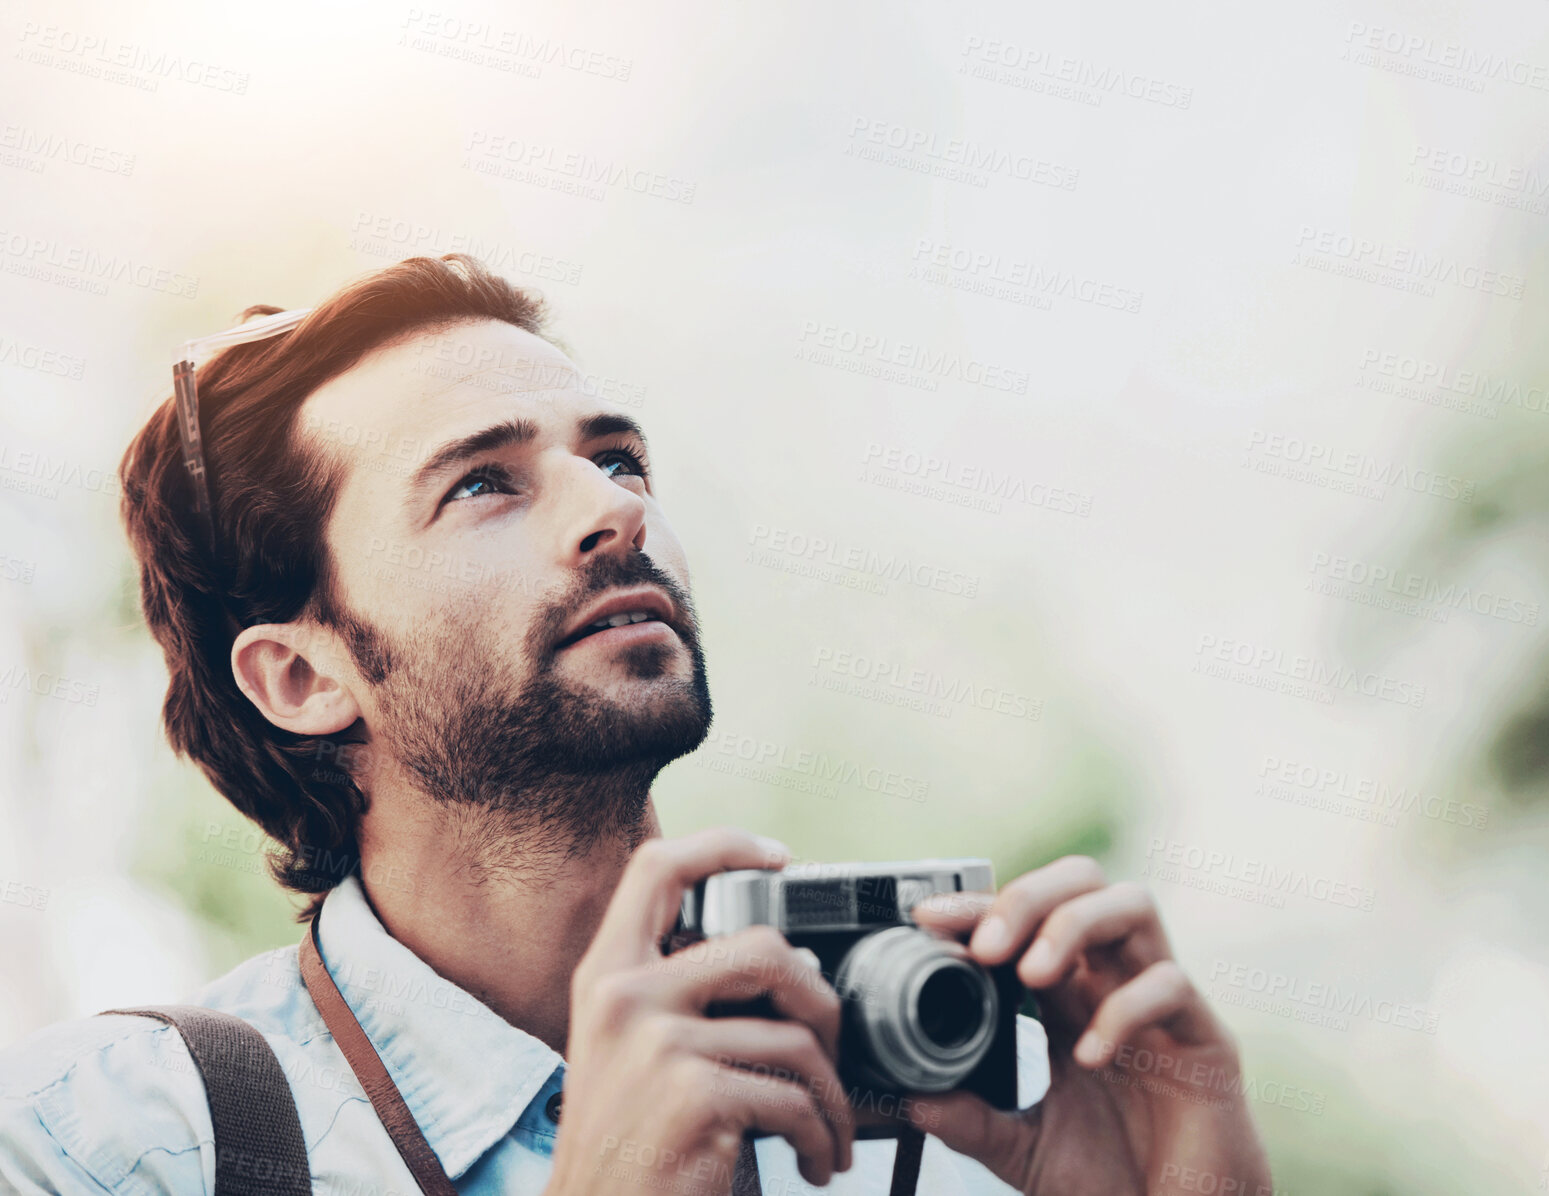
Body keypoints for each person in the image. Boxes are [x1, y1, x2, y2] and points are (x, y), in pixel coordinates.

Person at [0, 255, 1272, 1195]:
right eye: (484, 482)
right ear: (299, 676)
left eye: (617, 458)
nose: (614, 511)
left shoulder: (945, 1126)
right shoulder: (95, 1142)